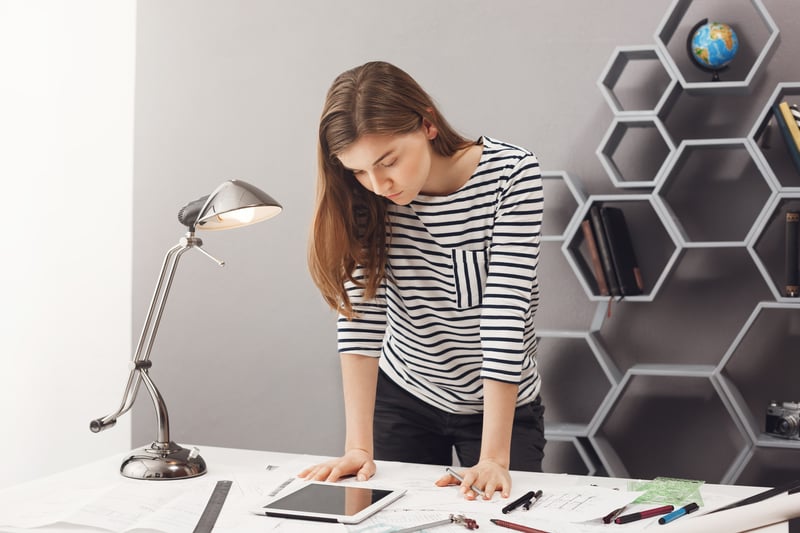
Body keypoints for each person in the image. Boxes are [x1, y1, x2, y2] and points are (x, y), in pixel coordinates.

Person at [302, 60, 545, 500]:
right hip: (406, 394)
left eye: (388, 161)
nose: (378, 184)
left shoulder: (512, 174)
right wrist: (358, 447)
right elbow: (361, 317)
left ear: (427, 124)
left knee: (500, 513)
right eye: (358, 171)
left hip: (499, 405)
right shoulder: (366, 197)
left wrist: (493, 456)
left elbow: (505, 314)